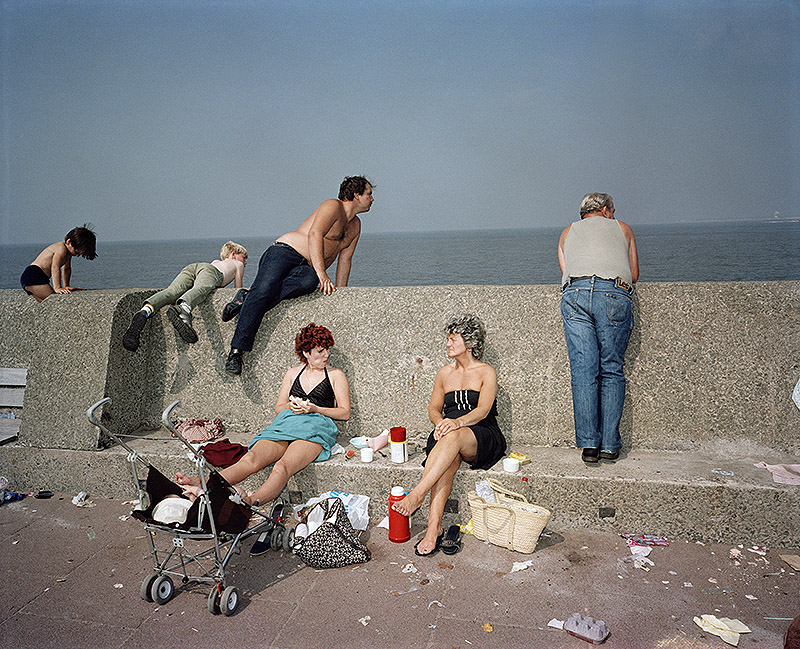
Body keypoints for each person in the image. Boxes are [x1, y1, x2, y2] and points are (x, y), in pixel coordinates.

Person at [176, 322, 350, 508]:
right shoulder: (293, 373)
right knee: (251, 459)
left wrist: (315, 408)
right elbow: (279, 407)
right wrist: (292, 407)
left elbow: (344, 412)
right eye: (320, 351)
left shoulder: (335, 375)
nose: (326, 355)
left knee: (281, 467)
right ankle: (203, 483)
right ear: (306, 353)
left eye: (327, 350)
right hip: (286, 424)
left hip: (316, 428)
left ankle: (250, 501)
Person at [222, 175, 374, 375]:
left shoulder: (356, 226)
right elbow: (315, 235)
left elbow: (345, 259)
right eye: (369, 194)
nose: (372, 199)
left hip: (306, 268)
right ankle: (236, 352)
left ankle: (246, 298)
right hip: (285, 252)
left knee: (309, 282)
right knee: (265, 288)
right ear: (356, 195)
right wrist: (322, 273)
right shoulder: (332, 206)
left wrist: (341, 293)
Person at [391, 314, 506, 556]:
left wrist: (457, 423)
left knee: (452, 438)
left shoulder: (487, 372)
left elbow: (483, 409)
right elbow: (434, 409)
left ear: (470, 343)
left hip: (480, 432)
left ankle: (417, 494)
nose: (447, 344)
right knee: (448, 459)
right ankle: (434, 529)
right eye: (448, 339)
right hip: (448, 430)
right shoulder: (444, 373)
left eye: (453, 339)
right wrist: (441, 422)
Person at [557, 192, 639, 463]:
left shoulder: (567, 232)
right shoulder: (623, 228)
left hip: (576, 294)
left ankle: (589, 446)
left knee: (583, 370)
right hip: (612, 293)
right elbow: (634, 274)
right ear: (605, 210)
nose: (613, 215)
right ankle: (610, 445)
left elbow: (566, 271)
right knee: (612, 369)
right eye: (612, 210)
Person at [122, 241, 248, 351]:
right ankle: (184, 308)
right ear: (233, 254)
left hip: (194, 267)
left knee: (171, 292)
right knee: (201, 289)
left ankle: (145, 311)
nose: (245, 262)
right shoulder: (238, 265)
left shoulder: (216, 261)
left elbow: (204, 276)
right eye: (244, 257)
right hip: (211, 272)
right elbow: (237, 290)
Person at [20, 224, 97, 302]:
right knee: (54, 301)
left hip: (41, 278)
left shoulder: (68, 253)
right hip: (33, 275)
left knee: (48, 304)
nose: (77, 255)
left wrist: (66, 285)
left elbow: (66, 269)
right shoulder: (61, 249)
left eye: (80, 254)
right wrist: (57, 287)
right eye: (76, 251)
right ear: (69, 242)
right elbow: (55, 267)